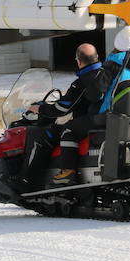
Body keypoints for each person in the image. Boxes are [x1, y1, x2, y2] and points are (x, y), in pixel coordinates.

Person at [22, 43, 105, 190]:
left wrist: (39, 108)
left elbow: (62, 108)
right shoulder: (104, 75)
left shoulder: (83, 81)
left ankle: (65, 172)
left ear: (78, 60)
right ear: (97, 57)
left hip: (90, 120)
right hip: (103, 117)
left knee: (63, 131)